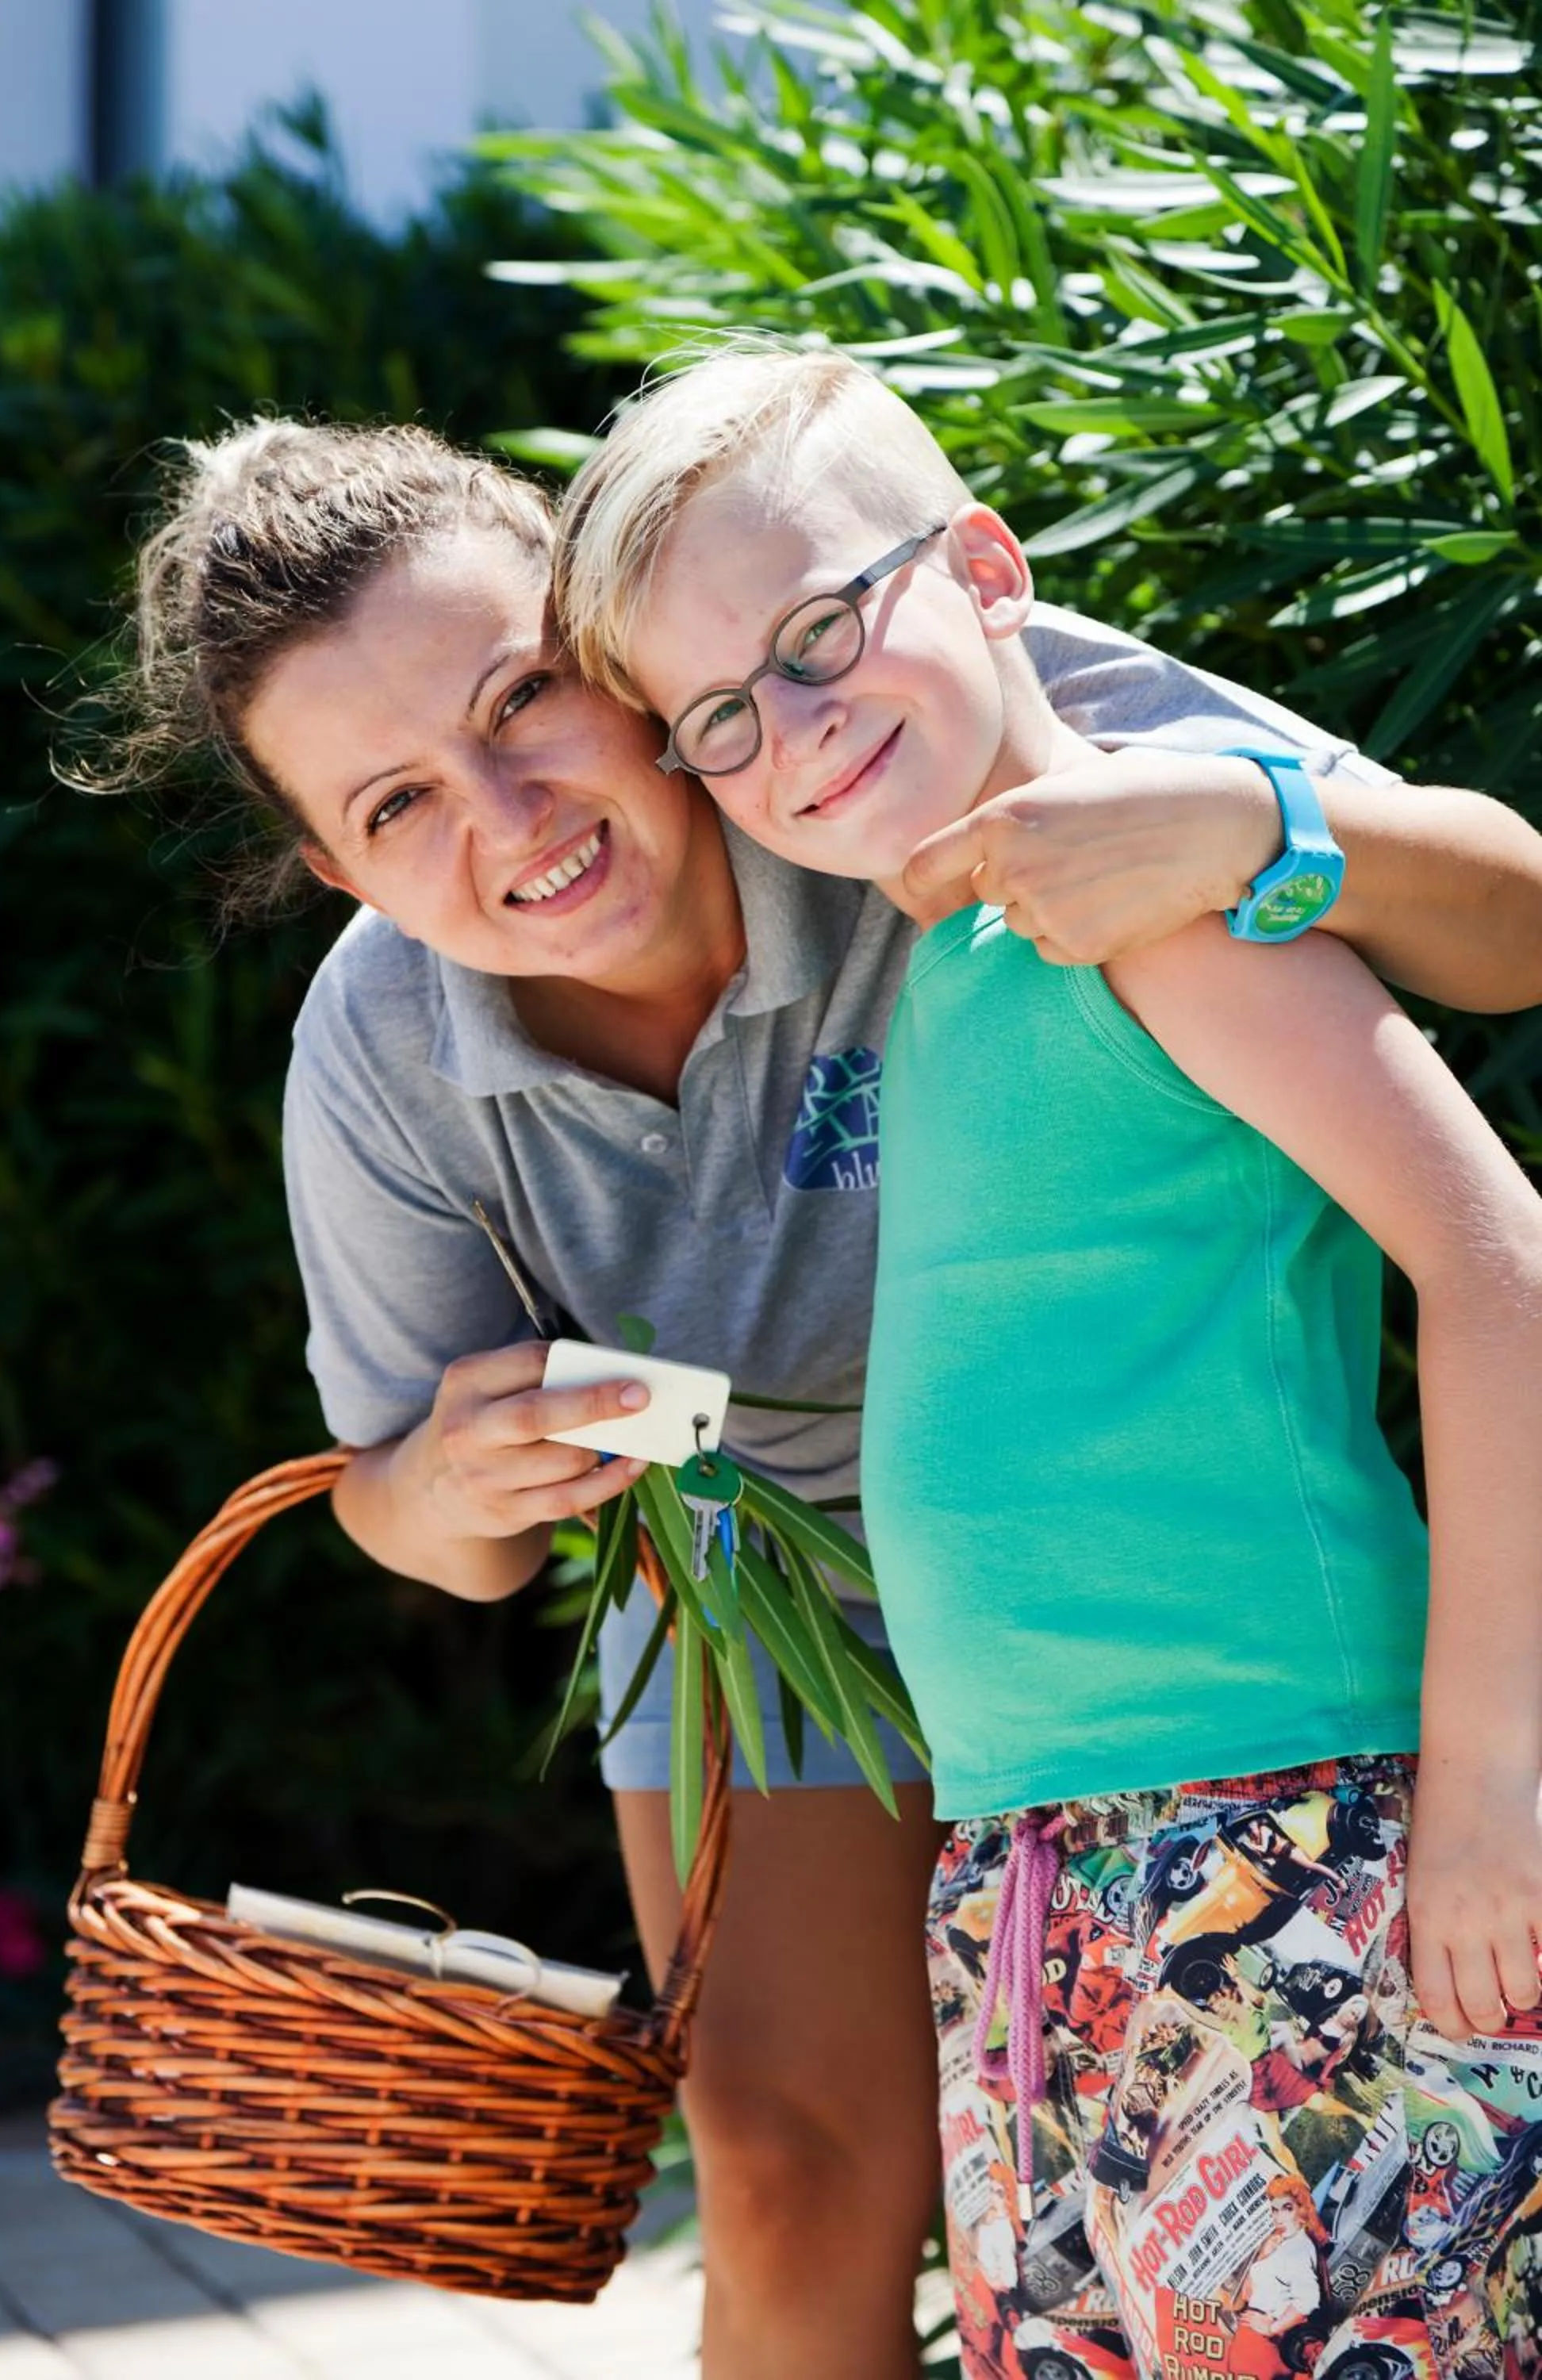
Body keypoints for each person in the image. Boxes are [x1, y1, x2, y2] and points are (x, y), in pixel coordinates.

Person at [102, 413, 1542, 2380]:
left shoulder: (866, 698)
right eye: (396, 805)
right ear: (331, 865)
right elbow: (410, 1520)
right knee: (797, 2171)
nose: (507, 815)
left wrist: (1246, 825)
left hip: (1162, 1562)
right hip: (765, 1582)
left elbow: (1506, 933)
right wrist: (450, 1479)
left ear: (617, 654)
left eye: (522, 699)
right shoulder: (386, 1045)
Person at [554, 344, 1542, 2377]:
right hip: (1041, 1873)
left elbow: (1500, 1265)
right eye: (721, 717)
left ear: (987, 569)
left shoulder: (1151, 906)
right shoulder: (952, 961)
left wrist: (1491, 1786)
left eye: (820, 632)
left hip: (1295, 1838)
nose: (793, 728)